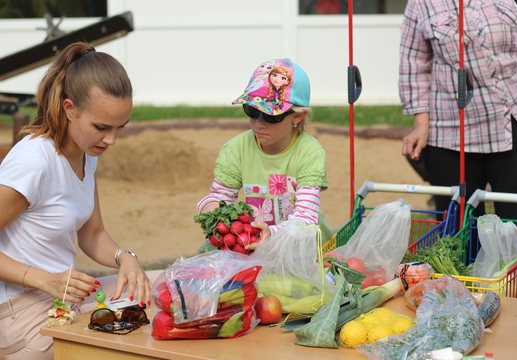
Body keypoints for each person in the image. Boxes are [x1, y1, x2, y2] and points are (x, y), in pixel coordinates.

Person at [0, 42, 158, 360]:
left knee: (164, 286)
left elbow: (93, 233)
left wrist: (125, 257)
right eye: (101, 127)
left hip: (64, 298)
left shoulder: (86, 152)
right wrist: (45, 279)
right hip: (19, 314)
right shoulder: (34, 160)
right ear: (69, 109)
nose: (111, 139)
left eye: (120, 128)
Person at [399, 0, 517, 238]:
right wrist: (421, 125)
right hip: (448, 129)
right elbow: (414, 64)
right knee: (458, 235)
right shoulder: (421, 3)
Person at [197, 58, 333, 250]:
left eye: (271, 115)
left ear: (298, 115)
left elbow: (305, 219)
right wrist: (210, 207)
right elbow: (221, 198)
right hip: (252, 240)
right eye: (252, 110)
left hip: (303, 246)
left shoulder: (309, 152)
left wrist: (273, 235)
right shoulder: (236, 148)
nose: (259, 123)